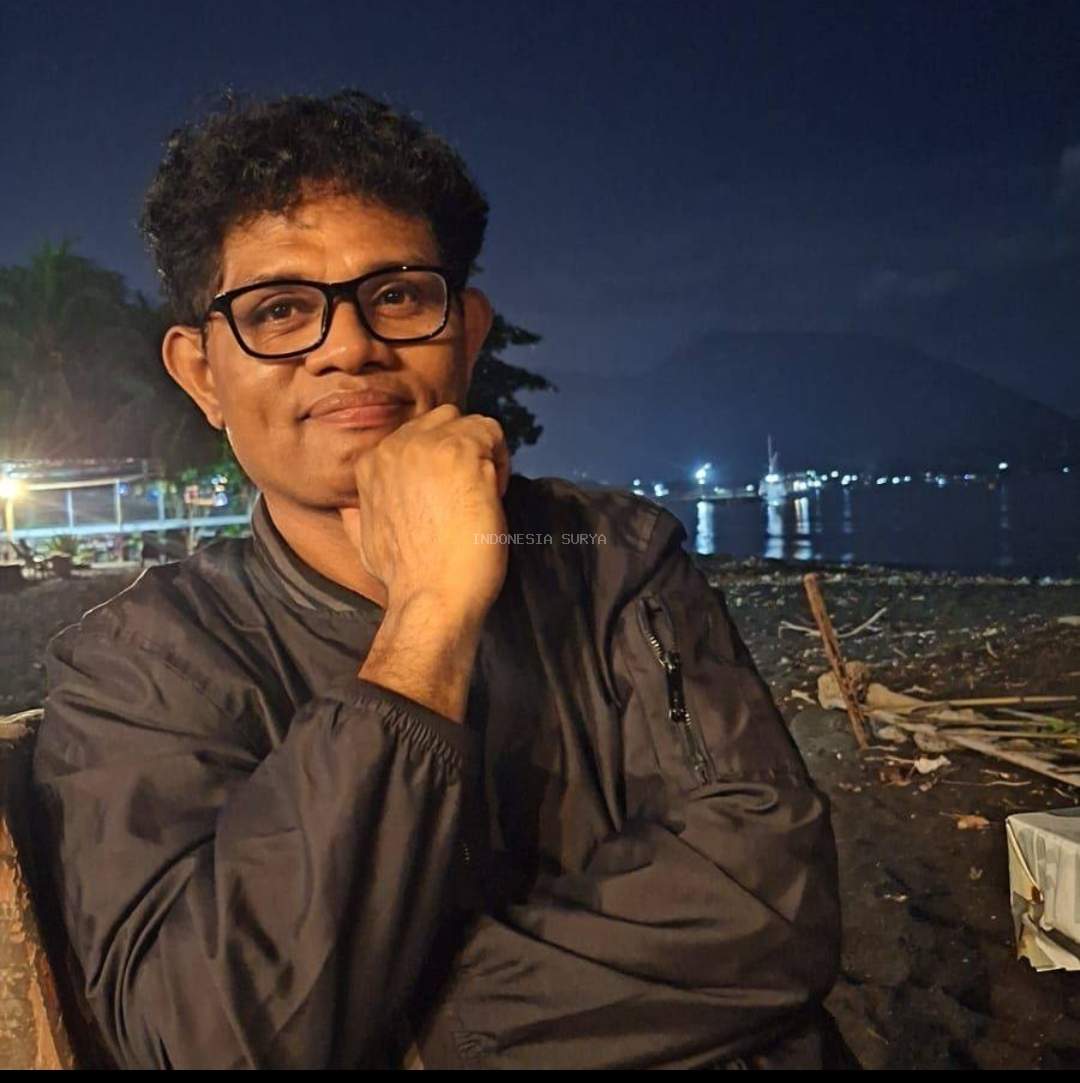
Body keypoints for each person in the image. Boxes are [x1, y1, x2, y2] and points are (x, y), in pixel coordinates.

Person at [31, 89, 852, 1069]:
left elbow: (767, 900)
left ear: (464, 331)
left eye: (397, 296)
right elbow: (212, 1038)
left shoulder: (612, 556)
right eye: (279, 311)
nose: (349, 346)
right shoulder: (138, 668)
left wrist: (411, 1036)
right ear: (203, 373)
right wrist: (428, 617)